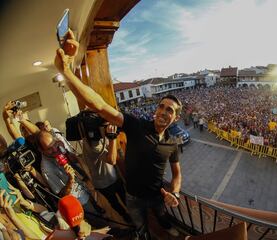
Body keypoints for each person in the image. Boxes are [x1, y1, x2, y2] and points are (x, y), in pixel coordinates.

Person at [54, 29, 182, 238]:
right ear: (156, 109)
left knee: (162, 217)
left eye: (170, 110)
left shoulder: (173, 141)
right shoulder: (135, 125)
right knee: (140, 224)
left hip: (158, 196)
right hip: (132, 196)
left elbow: (177, 173)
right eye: (161, 106)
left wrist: (175, 192)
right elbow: (100, 105)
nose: (163, 112)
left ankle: (166, 228)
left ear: (175, 118)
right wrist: (66, 72)